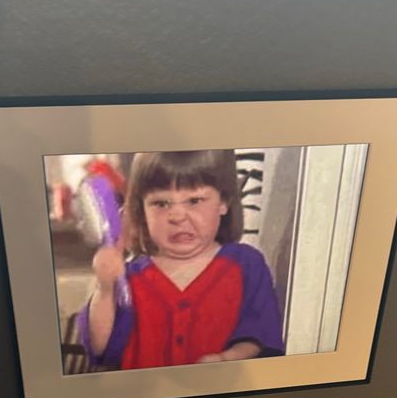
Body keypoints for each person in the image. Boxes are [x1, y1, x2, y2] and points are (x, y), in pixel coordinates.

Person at [78, 149, 284, 370]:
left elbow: (260, 334)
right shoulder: (127, 277)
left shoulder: (247, 265)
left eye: (194, 200)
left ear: (223, 202)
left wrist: (227, 359)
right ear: (141, 210)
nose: (176, 216)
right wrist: (106, 288)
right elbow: (100, 349)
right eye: (161, 204)